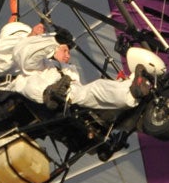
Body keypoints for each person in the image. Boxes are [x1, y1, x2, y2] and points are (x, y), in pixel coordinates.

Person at [11, 32, 159, 120]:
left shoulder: (69, 70)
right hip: (49, 95)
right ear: (53, 51)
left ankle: (136, 89)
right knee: (95, 88)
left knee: (96, 90)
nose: (68, 56)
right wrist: (54, 40)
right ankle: (131, 90)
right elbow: (26, 58)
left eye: (69, 52)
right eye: (64, 51)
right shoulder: (44, 64)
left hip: (71, 98)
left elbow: (81, 91)